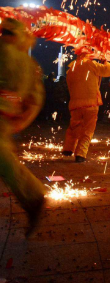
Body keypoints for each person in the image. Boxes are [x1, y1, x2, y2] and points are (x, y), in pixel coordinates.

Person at [0, 18, 46, 235]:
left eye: (7, 33)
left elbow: (34, 97)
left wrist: (21, 116)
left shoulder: (17, 59)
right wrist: (23, 117)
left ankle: (33, 196)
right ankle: (33, 196)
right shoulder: (29, 64)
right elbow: (35, 98)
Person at [63, 47, 110, 162]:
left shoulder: (72, 68)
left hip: (75, 104)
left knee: (74, 126)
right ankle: (80, 154)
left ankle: (68, 148)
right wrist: (105, 62)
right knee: (88, 129)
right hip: (91, 104)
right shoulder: (91, 64)